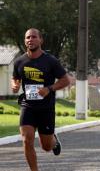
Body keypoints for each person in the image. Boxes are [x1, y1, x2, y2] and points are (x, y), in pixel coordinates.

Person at [11, 28, 70, 171]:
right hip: (28, 106)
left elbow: (65, 80)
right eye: (27, 38)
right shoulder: (19, 61)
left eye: (33, 37)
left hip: (46, 108)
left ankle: (54, 142)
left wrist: (49, 89)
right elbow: (15, 77)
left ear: (41, 40)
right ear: (25, 41)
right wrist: (15, 85)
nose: (30, 40)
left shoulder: (51, 61)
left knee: (46, 147)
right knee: (27, 140)